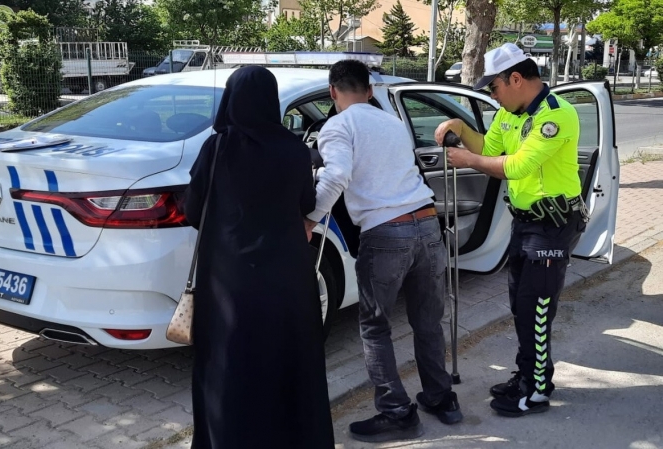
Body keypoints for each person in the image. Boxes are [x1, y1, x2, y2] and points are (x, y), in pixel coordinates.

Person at [304, 59, 463, 444]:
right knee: (427, 320)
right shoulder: (392, 122)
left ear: (333, 92)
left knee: (376, 326)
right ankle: (442, 399)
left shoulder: (338, 125)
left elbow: (336, 175)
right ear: (370, 90)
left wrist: (308, 220)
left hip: (385, 233)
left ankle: (396, 412)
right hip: (427, 225)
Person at [184, 66, 335, 449]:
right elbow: (306, 204)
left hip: (227, 279)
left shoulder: (216, 148)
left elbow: (192, 210)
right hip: (286, 276)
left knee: (228, 365)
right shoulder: (294, 149)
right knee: (287, 360)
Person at [434, 43, 588, 417]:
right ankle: (528, 376)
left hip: (552, 226)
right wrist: (459, 127)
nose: (492, 95)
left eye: (495, 87)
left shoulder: (556, 116)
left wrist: (467, 159)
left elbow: (516, 166)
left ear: (515, 79)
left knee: (534, 309)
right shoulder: (509, 114)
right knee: (522, 307)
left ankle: (535, 392)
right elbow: (488, 145)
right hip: (525, 223)